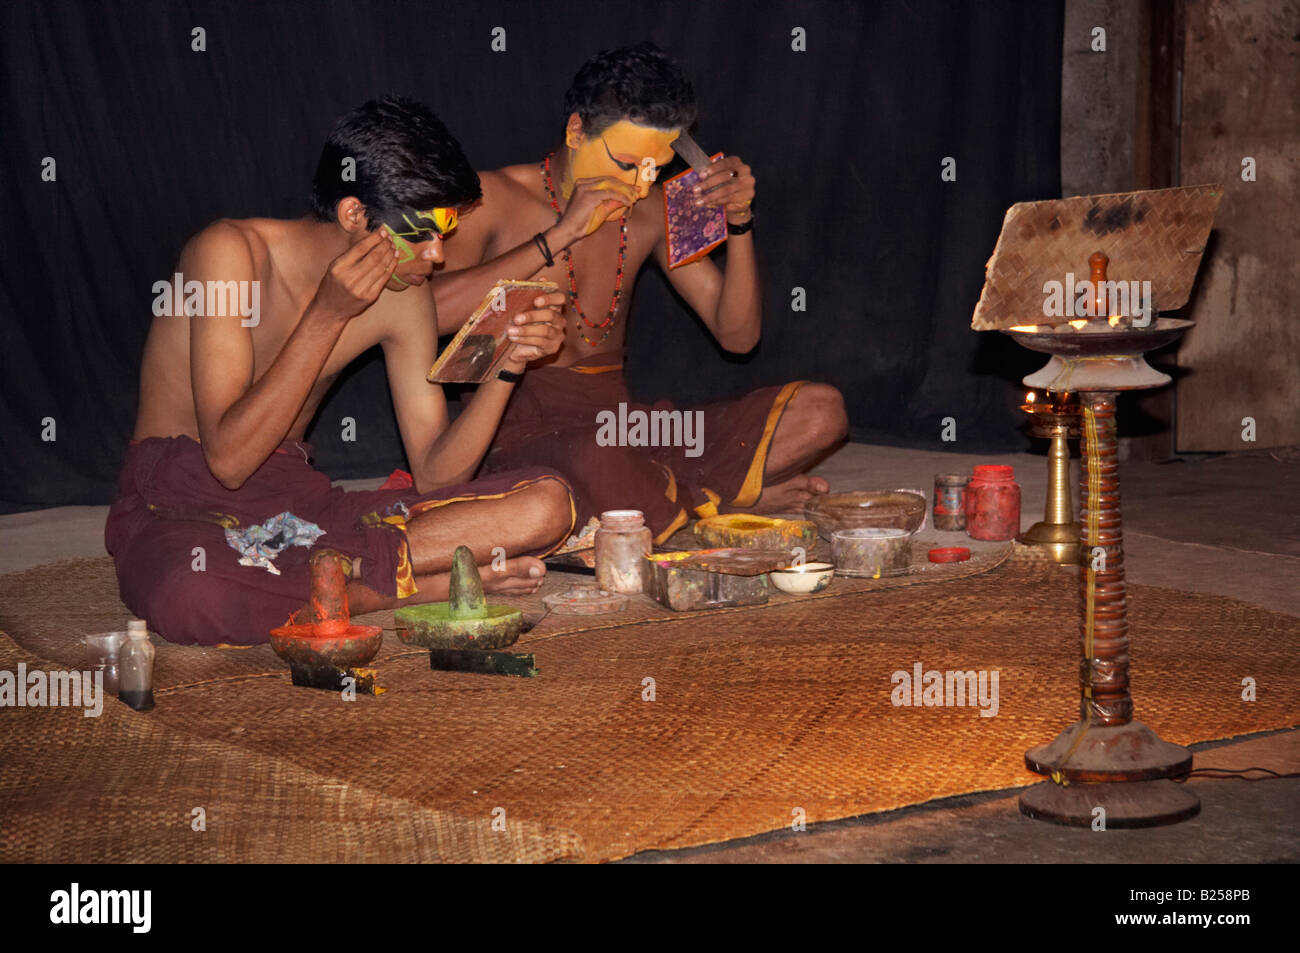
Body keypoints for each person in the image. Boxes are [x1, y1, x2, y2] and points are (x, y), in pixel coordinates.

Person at [106, 96, 575, 646]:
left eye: (445, 234)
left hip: (297, 512)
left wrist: (505, 367)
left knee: (547, 504)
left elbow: (436, 475)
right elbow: (228, 461)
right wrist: (326, 314)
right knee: (192, 596)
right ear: (354, 214)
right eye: (423, 233)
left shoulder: (404, 295)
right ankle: (405, 588)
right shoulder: (228, 254)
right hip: (184, 504)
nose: (437, 256)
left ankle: (332, 576)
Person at [433, 43, 848, 544]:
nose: (637, 183)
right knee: (594, 458)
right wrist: (562, 233)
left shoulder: (649, 211)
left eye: (656, 168)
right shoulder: (492, 198)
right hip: (526, 432)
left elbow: (737, 336)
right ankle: (712, 499)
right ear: (576, 130)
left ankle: (675, 496)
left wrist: (738, 225)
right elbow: (429, 314)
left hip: (629, 430)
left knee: (821, 410)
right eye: (627, 163)